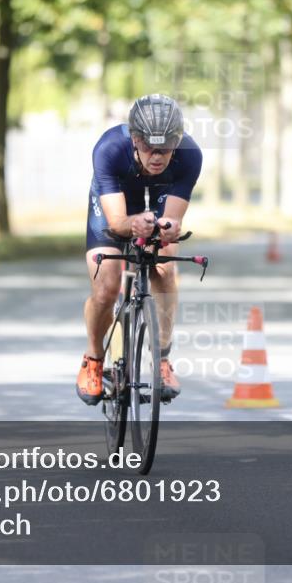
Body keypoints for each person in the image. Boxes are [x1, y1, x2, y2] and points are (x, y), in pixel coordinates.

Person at [78, 94, 202, 406]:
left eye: (166, 147)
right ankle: (93, 359)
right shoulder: (110, 149)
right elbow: (117, 222)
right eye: (149, 147)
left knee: (165, 265)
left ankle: (162, 360)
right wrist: (135, 223)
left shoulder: (190, 156)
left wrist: (169, 227)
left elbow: (172, 218)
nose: (157, 155)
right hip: (119, 202)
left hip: (160, 199)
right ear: (135, 139)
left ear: (177, 141)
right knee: (106, 287)